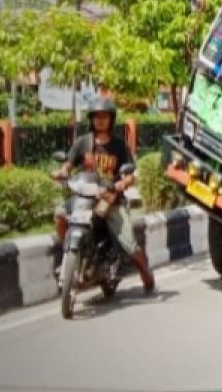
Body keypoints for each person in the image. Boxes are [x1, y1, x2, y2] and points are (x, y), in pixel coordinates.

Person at [53, 96, 155, 293]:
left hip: (109, 200)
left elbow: (131, 172)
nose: (100, 120)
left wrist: (123, 182)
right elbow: (68, 163)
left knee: (130, 245)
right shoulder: (83, 142)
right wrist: (62, 172)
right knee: (59, 214)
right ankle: (69, 253)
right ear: (91, 119)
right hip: (84, 197)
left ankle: (146, 274)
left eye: (104, 116)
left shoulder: (119, 145)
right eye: (96, 116)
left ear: (111, 119)